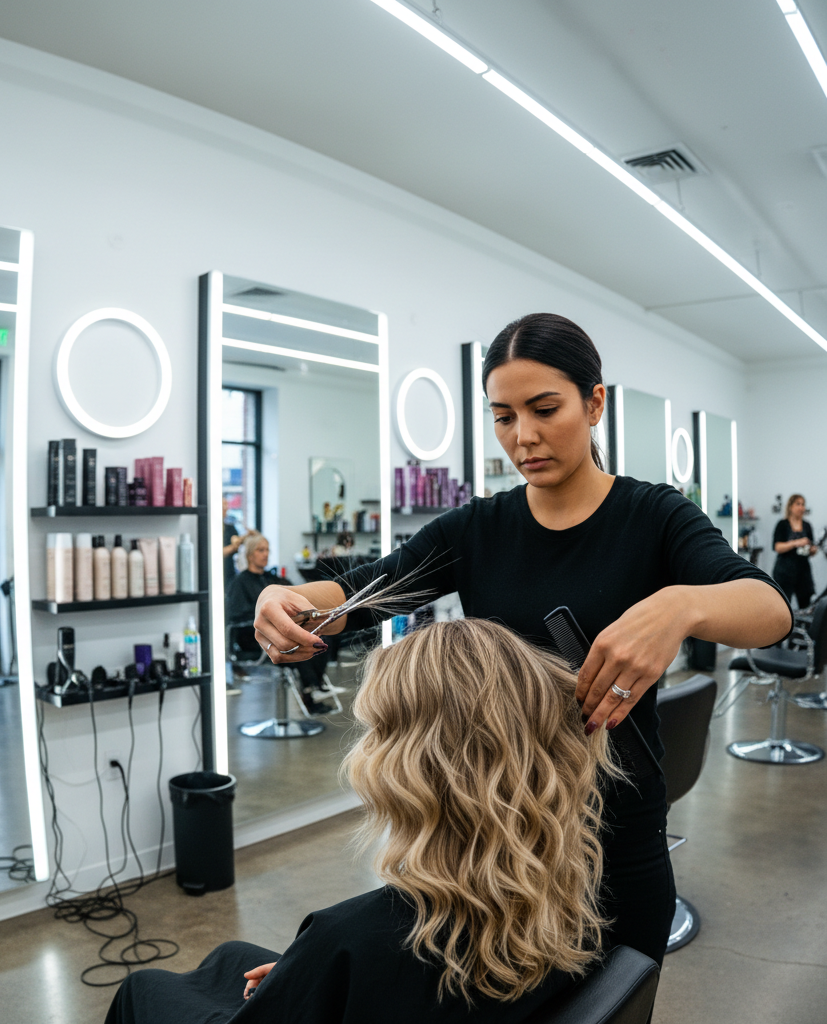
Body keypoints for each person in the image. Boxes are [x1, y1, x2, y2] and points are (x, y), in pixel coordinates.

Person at [253, 313, 792, 965]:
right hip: (499, 827)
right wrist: (283, 599)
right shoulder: (475, 530)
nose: (524, 437)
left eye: (544, 409)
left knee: (619, 992)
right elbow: (361, 595)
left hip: (617, 820)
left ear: (595, 403)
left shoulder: (654, 516)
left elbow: (768, 609)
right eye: (503, 416)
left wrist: (680, 606)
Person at [104, 618, 625, 1024]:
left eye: (377, 731)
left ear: (408, 767)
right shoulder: (569, 891)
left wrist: (310, 981)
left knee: (144, 989)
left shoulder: (348, 938)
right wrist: (304, 982)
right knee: (228, 957)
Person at [226, 533, 335, 713]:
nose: (266, 554)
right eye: (261, 550)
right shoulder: (240, 582)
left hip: (280, 631)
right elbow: (237, 616)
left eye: (267, 550)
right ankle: (310, 690)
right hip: (254, 636)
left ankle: (315, 685)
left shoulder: (272, 578)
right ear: (250, 555)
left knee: (320, 636)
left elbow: (293, 595)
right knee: (300, 643)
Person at [772, 494, 818, 610]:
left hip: (803, 572)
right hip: (785, 572)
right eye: (798, 504)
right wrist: (796, 543)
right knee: (783, 606)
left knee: (806, 605)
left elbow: (811, 546)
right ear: (790, 506)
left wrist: (812, 550)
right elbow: (777, 547)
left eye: (803, 504)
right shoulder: (782, 525)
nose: (801, 507)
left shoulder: (807, 526)